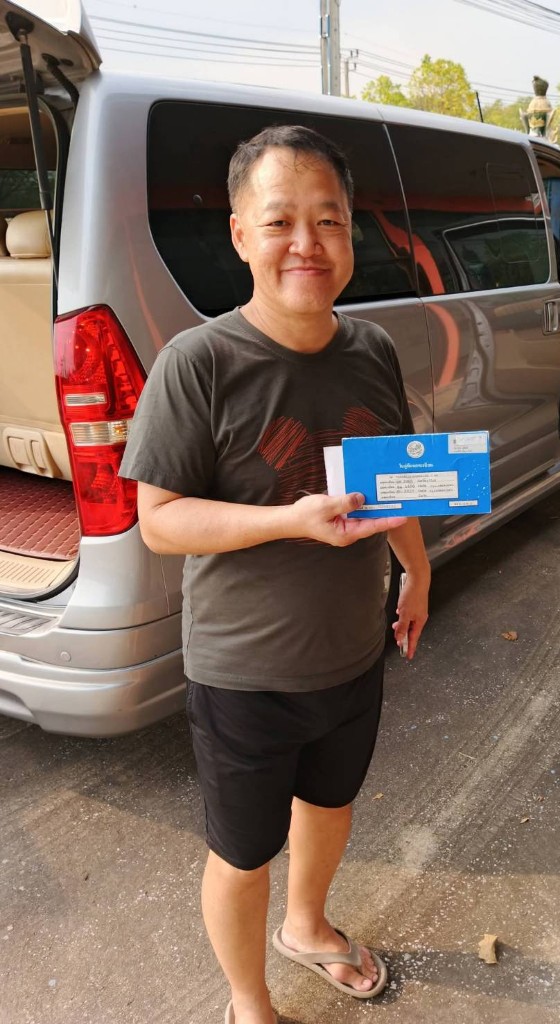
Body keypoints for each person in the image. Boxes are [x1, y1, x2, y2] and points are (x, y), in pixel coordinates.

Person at [119, 125, 431, 1024]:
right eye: (282, 219)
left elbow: (392, 482)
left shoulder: (370, 349)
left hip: (351, 652)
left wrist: (413, 573)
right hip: (245, 675)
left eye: (328, 220)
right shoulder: (200, 364)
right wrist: (286, 521)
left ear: (350, 235)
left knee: (331, 805)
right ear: (240, 234)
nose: (307, 243)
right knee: (242, 852)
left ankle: (309, 926)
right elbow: (160, 520)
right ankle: (248, 1003)